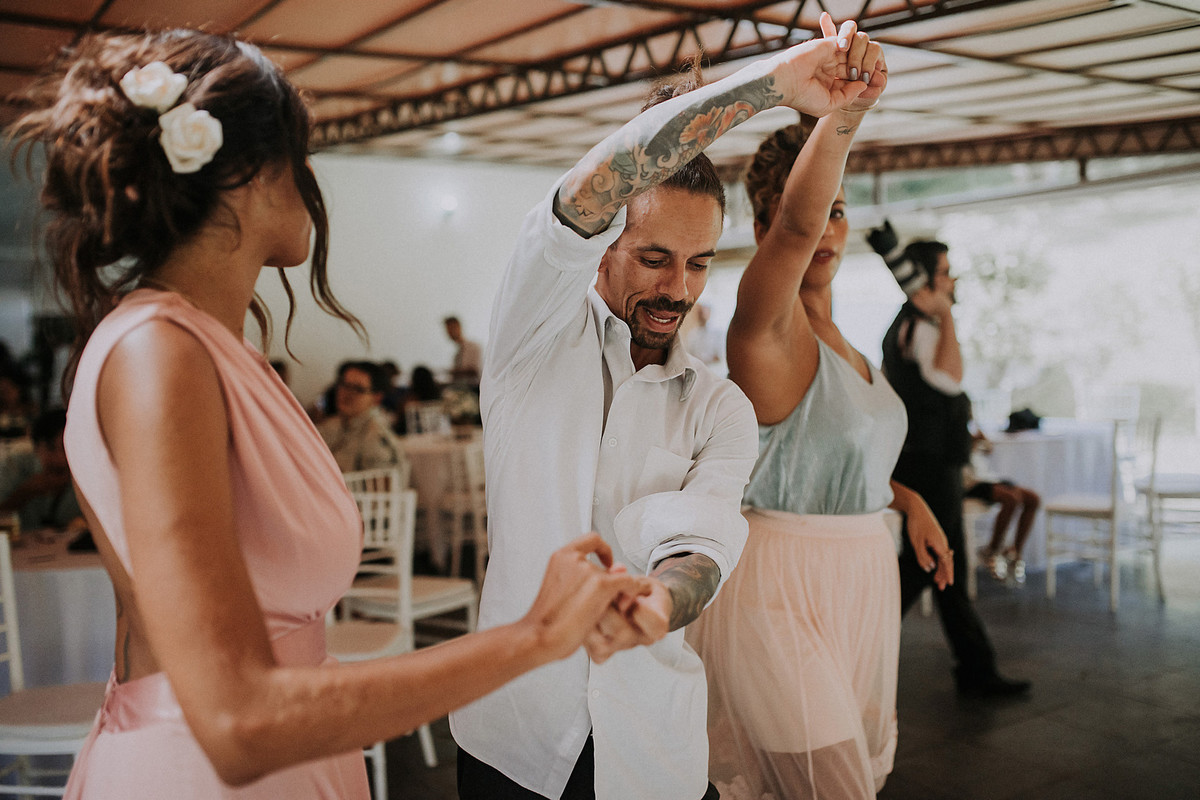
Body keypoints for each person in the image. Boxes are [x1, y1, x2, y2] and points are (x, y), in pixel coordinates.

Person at [12, 28, 652, 799]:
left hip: (304, 758)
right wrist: (534, 638)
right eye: (300, 154)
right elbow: (236, 719)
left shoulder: (219, 352)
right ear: (247, 173)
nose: (312, 179)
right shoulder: (158, 354)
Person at [449, 15, 874, 799]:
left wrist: (661, 598)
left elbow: (702, 542)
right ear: (603, 248)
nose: (678, 288)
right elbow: (592, 186)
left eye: (698, 264)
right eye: (654, 258)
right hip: (513, 736)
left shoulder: (720, 408)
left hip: (651, 750)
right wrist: (773, 86)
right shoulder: (531, 337)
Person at [688, 25, 955, 798]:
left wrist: (906, 500)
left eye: (839, 211)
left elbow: (829, 456)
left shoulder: (849, 345)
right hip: (779, 594)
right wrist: (846, 114)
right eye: (807, 212)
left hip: (858, 584)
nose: (825, 229)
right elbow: (798, 231)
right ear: (763, 227)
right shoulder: (763, 332)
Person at [875, 228, 1033, 697]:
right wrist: (946, 315)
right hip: (927, 463)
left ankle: (974, 666)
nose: (952, 279)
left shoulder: (915, 322)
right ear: (926, 279)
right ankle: (864, 633)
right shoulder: (923, 325)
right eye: (945, 272)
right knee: (933, 560)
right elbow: (950, 378)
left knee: (937, 563)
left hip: (928, 459)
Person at [965, 432, 1041, 583]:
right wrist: (970, 443)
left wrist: (982, 440)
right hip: (969, 481)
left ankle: (1015, 553)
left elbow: (988, 450)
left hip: (985, 476)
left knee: (1033, 498)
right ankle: (992, 550)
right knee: (1011, 499)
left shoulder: (973, 428)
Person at [0, 408, 83, 531]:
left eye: (66, 448)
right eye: (50, 448)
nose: (59, 458)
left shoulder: (84, 475)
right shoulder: (13, 466)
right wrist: (25, 492)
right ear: (36, 446)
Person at [317, 360, 406, 472]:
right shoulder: (332, 425)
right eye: (344, 385)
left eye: (358, 389)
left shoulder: (375, 437)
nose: (347, 393)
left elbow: (380, 481)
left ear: (377, 398)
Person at [685, 303, 725, 374]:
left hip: (714, 372)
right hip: (698, 372)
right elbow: (690, 356)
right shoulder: (693, 334)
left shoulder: (717, 334)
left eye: (704, 313)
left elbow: (719, 357)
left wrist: (704, 360)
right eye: (701, 313)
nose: (703, 316)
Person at [444, 315, 483, 384]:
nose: (450, 333)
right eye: (448, 330)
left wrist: (454, 371)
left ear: (459, 327)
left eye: (452, 328)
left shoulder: (473, 347)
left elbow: (475, 370)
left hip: (471, 386)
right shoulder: (458, 351)